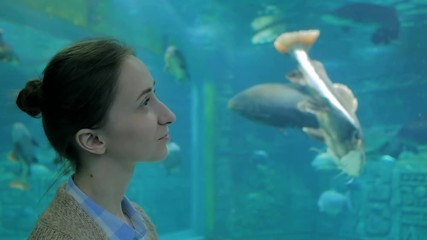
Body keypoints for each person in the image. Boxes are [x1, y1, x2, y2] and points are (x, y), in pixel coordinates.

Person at [17, 38, 176, 239]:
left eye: (154, 93)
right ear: (93, 140)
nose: (169, 116)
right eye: (145, 101)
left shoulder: (139, 221)